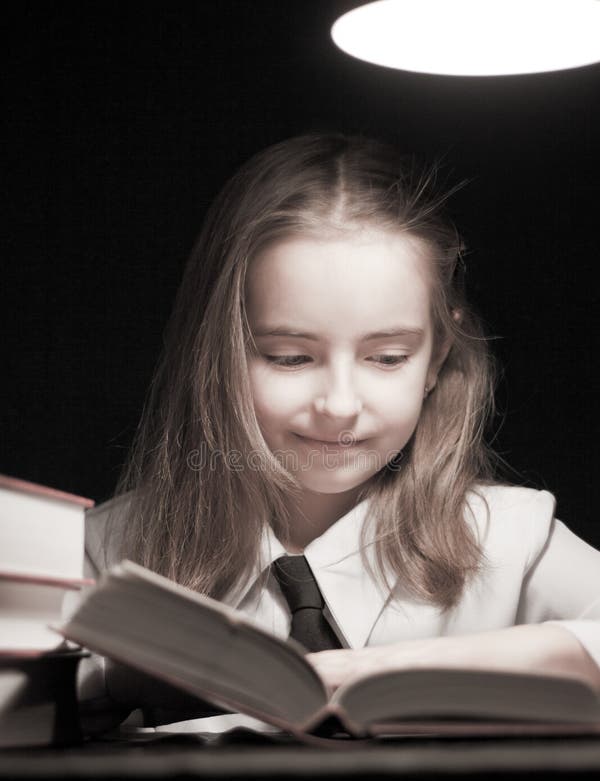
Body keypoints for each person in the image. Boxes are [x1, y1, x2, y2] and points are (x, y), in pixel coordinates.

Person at [67, 132, 600, 738]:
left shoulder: (513, 540)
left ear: (437, 358)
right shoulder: (101, 554)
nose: (340, 406)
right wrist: (103, 678)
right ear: (214, 354)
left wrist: (361, 672)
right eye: (290, 358)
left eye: (388, 357)